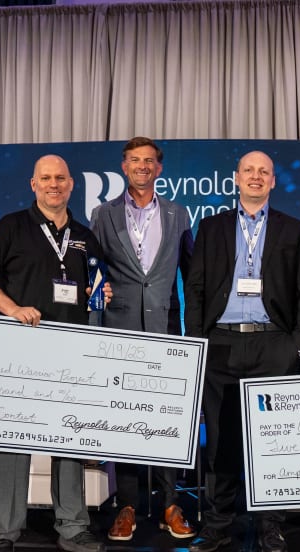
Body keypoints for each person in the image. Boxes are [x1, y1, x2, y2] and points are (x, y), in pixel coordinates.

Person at [0, 154, 107, 552]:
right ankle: (3, 534)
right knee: (12, 440)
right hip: (20, 350)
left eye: (60, 178)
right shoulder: (10, 227)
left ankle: (73, 527)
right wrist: (12, 309)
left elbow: (94, 290)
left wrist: (100, 294)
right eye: (45, 178)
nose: (53, 184)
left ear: (71, 184)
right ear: (33, 184)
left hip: (71, 354)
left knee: (69, 440)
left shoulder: (84, 235)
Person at [184, 151, 300, 552]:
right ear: (236, 179)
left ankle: (270, 526)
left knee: (271, 441)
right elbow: (196, 288)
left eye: (264, 172)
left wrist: (297, 347)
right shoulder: (211, 227)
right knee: (221, 441)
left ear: (273, 181)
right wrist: (198, 341)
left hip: (273, 343)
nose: (256, 177)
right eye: (249, 171)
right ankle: (219, 525)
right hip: (221, 343)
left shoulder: (293, 230)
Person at [89, 136, 197, 542]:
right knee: (125, 419)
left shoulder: (178, 214)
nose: (143, 166)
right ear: (124, 166)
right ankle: (127, 507)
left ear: (159, 168)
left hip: (166, 329)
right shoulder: (102, 214)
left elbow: (191, 274)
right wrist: (98, 294)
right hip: (119, 330)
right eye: (135, 160)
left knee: (168, 418)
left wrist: (193, 328)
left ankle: (170, 504)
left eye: (149, 161)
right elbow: (94, 269)